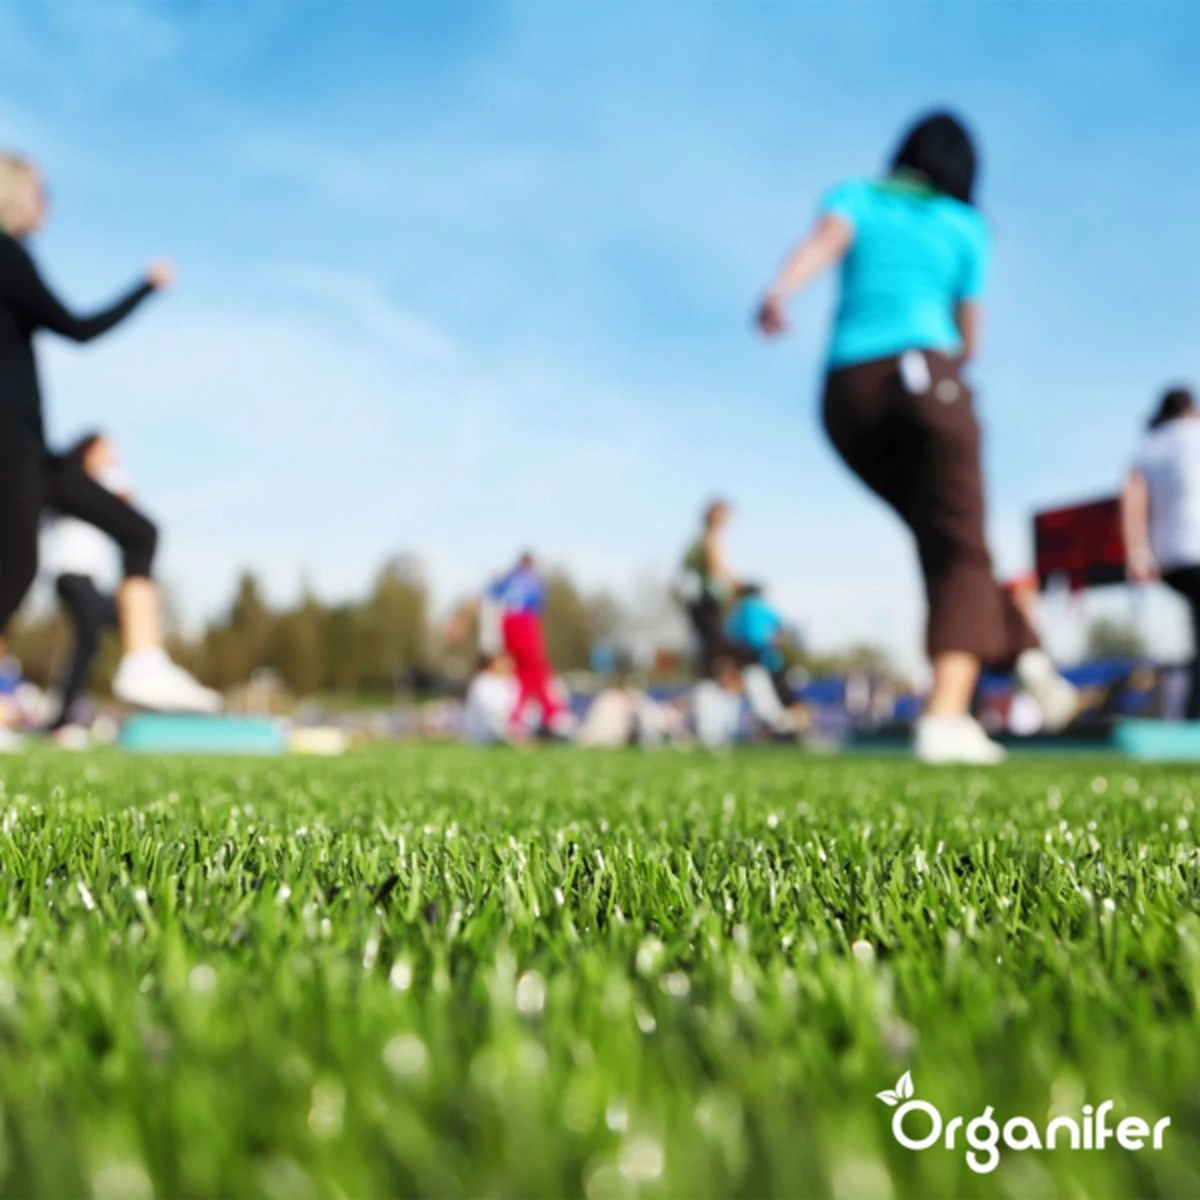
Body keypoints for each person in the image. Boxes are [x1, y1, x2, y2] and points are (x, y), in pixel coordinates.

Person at [756, 111, 1076, 764]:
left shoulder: (857, 196)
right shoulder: (965, 225)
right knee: (961, 544)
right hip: (924, 375)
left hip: (846, 398)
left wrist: (778, 293)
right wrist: (949, 370)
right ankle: (947, 717)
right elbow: (969, 337)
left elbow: (824, 242)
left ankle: (1028, 659)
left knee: (941, 535)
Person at [0, 153, 220, 728]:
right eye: (42, 193)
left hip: (32, 449)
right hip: (9, 444)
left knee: (138, 532)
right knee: (13, 575)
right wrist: (146, 286)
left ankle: (143, 663)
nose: (48, 205)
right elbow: (77, 327)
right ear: (15, 195)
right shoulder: (5, 253)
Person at [1122, 387, 1200, 718]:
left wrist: (1137, 552)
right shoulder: (1193, 435)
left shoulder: (1149, 446)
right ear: (1189, 408)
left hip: (1169, 559)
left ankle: (1192, 710)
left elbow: (1133, 498)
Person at [41, 432, 125, 733]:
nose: (110, 456)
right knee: (88, 639)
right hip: (69, 575)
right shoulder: (66, 482)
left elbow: (128, 504)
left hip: (89, 581)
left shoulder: (103, 484)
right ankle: (62, 717)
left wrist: (113, 471)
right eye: (105, 449)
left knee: (109, 631)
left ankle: (68, 713)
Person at [487, 553, 570, 736]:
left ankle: (520, 719)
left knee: (524, 673)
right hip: (523, 622)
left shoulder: (509, 576)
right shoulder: (531, 579)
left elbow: (491, 593)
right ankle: (552, 715)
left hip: (507, 623)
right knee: (535, 669)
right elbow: (539, 605)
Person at [679, 500, 737, 679]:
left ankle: (711, 678)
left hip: (698, 599)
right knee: (714, 645)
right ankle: (713, 681)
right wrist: (734, 587)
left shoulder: (702, 539)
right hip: (707, 599)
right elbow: (715, 570)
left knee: (709, 644)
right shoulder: (709, 539)